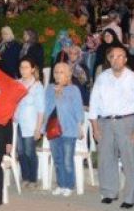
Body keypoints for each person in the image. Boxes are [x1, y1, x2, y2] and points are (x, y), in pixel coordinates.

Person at [89, 45, 134, 207]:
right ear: (109, 59)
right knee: (106, 159)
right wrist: (95, 128)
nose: (116, 59)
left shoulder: (133, 78)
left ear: (125, 59)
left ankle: (130, 197)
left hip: (127, 122)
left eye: (120, 56)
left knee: (130, 161)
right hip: (105, 122)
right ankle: (109, 192)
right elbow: (94, 104)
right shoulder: (102, 78)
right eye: (113, 56)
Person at [42, 62, 83, 197]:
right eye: (56, 72)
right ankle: (60, 184)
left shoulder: (74, 90)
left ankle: (69, 185)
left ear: (68, 75)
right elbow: (46, 108)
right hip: (53, 129)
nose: (58, 75)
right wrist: (42, 127)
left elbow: (78, 110)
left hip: (69, 130)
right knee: (57, 159)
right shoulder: (49, 89)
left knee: (67, 159)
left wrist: (80, 128)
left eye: (61, 72)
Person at [14, 58, 45, 188]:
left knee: (29, 151)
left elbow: (41, 109)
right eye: (21, 67)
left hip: (31, 124)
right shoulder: (16, 83)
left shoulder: (37, 86)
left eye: (26, 67)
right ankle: (25, 177)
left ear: (32, 69)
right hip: (17, 123)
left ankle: (33, 178)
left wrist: (38, 128)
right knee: (20, 152)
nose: (23, 70)